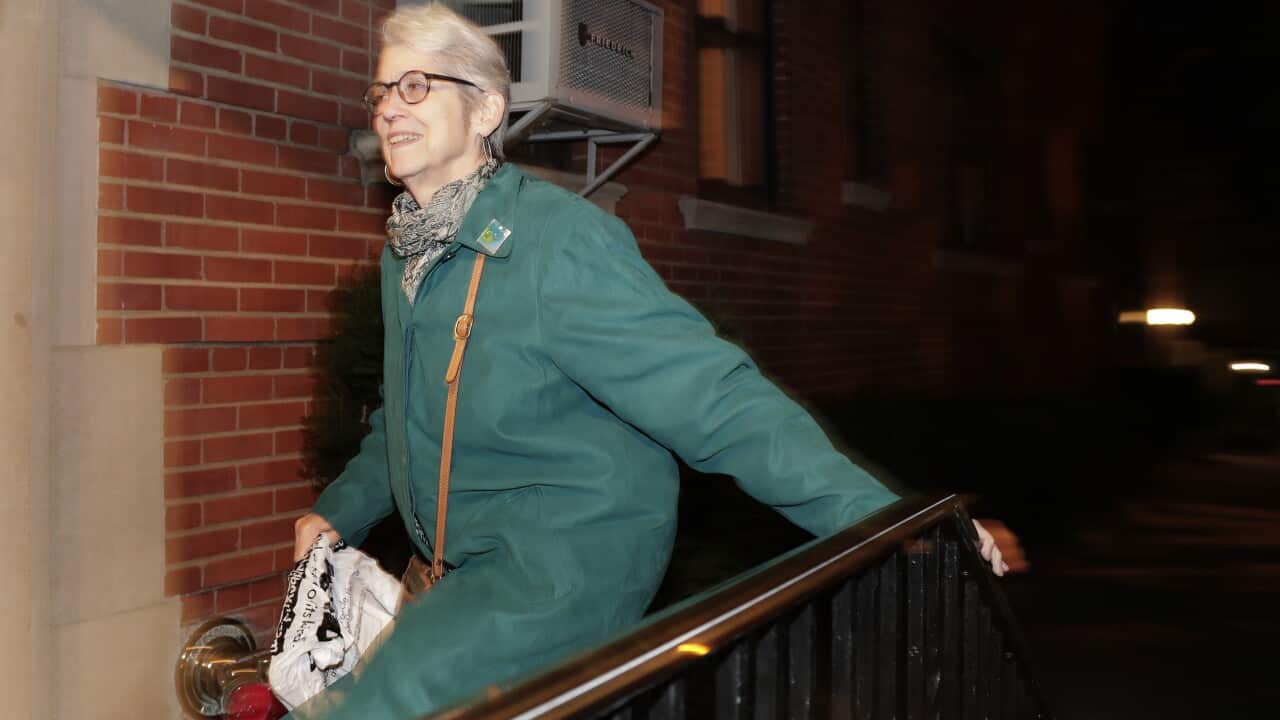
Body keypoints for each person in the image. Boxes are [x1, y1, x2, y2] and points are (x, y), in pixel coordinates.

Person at [287, 4, 1010, 718]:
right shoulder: (410, 251)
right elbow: (405, 415)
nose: (388, 108)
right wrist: (335, 512)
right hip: (458, 568)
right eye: (381, 91)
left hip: (559, 567)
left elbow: (713, 398)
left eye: (417, 86)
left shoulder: (556, 241)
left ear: (486, 112)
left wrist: (888, 522)